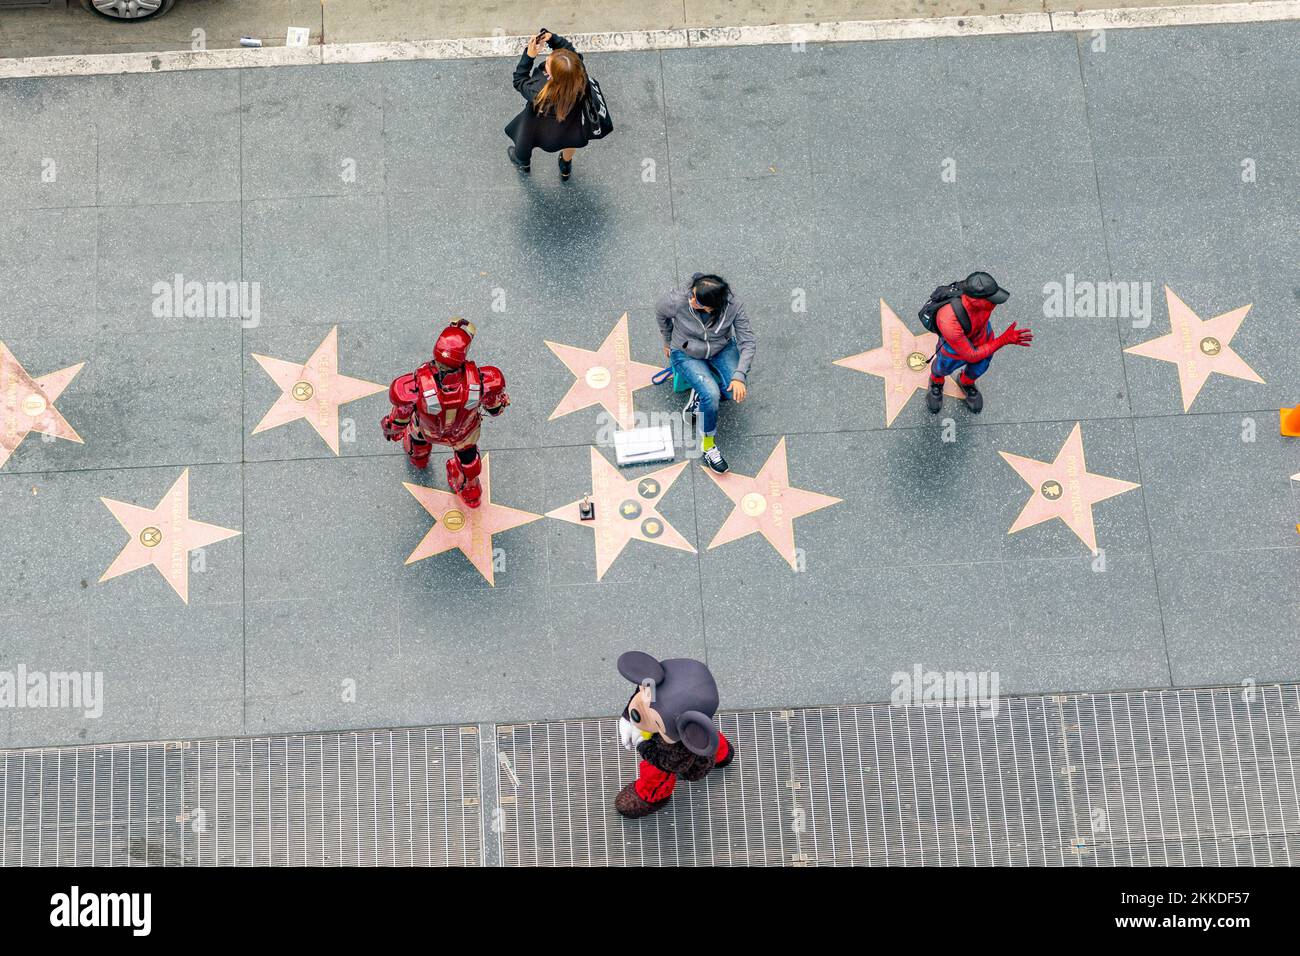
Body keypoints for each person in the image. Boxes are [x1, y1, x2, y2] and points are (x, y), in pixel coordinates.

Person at [380, 319, 510, 508]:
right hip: (465, 434)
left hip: (428, 430)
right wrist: (500, 401)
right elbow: (495, 409)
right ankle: (471, 493)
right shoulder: (485, 380)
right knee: (469, 462)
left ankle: (419, 458)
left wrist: (391, 428)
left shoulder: (411, 386)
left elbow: (400, 417)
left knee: (416, 439)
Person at [614, 651, 736, 819]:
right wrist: (627, 718)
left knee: (656, 774)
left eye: (655, 721)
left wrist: (643, 745)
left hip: (667, 753)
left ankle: (652, 796)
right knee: (711, 740)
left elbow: (667, 763)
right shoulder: (696, 727)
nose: (636, 713)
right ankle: (723, 754)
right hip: (696, 735)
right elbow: (644, 693)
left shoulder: (678, 749)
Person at [655, 273, 756, 474]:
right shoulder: (677, 300)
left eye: (697, 300)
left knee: (731, 391)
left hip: (721, 348)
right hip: (686, 352)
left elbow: (748, 342)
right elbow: (660, 312)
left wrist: (739, 376)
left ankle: (698, 398)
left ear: (712, 306)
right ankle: (708, 445)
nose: (691, 300)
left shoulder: (733, 306)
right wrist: (667, 340)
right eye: (692, 294)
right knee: (711, 395)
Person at [925, 271, 1033, 415]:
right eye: (992, 300)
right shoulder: (948, 320)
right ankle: (936, 382)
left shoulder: (980, 301)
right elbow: (971, 355)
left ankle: (966, 382)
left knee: (980, 367)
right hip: (954, 350)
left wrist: (992, 341)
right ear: (975, 301)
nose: (996, 303)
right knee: (942, 367)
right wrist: (1003, 340)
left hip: (983, 337)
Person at [505, 30, 591, 181]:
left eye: (549, 63)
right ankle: (565, 165)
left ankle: (523, 163)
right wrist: (553, 39)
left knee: (525, 139)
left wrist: (529, 56)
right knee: (571, 140)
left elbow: (519, 80)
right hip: (569, 120)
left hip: (537, 123)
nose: (547, 59)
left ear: (553, 75)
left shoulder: (539, 90)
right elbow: (571, 55)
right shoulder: (579, 73)